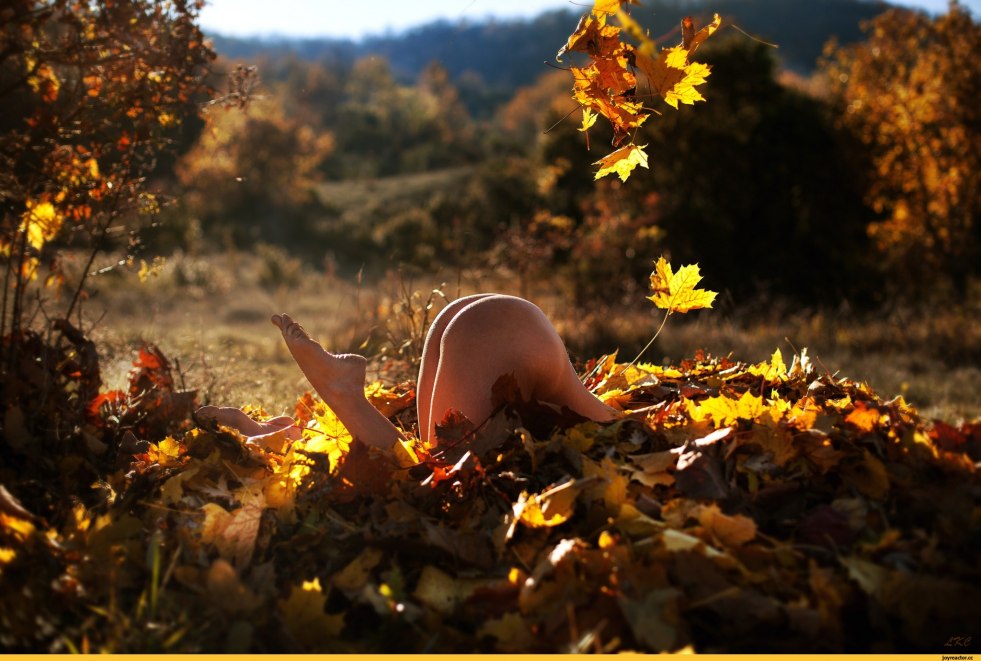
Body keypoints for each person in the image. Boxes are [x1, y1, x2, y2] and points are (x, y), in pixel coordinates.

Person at [196, 294, 619, 448]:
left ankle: (308, 426)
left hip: (497, 320)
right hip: (499, 330)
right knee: (439, 464)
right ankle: (345, 397)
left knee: (433, 453)